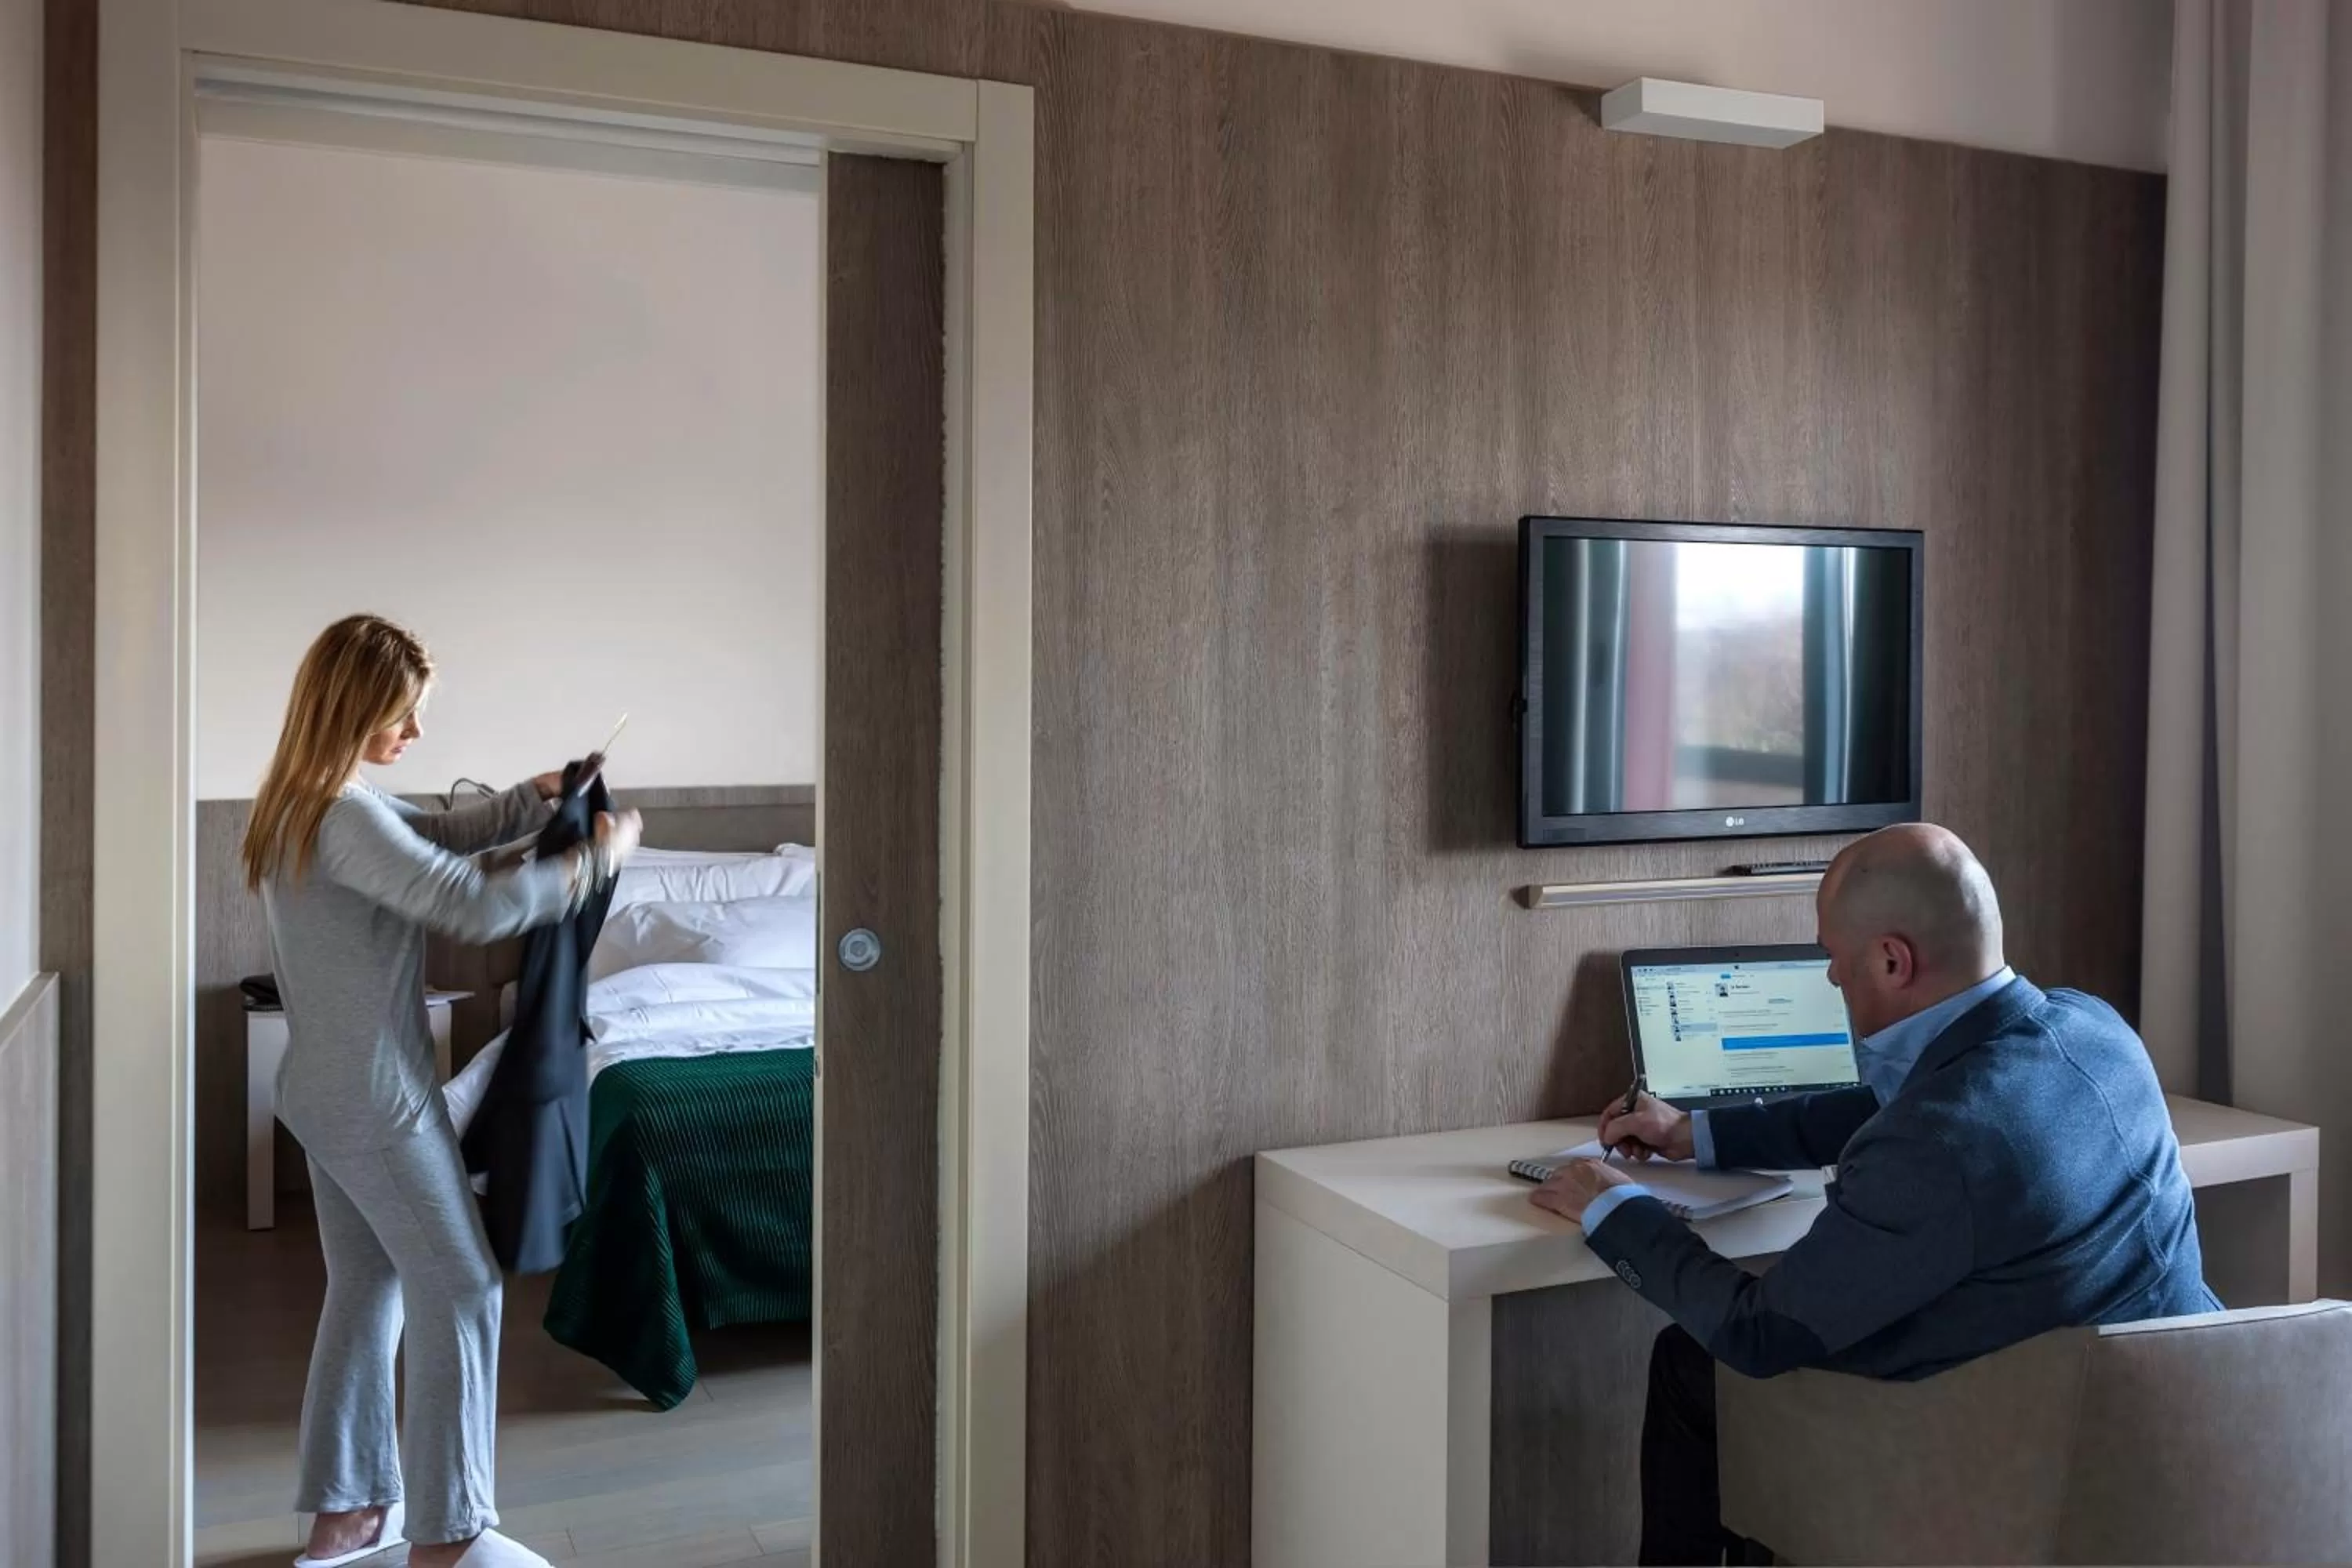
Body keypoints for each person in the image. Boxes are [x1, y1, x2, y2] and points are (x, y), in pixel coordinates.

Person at [1529, 823, 2218, 1567]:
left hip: (1994, 1484)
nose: (1829, 979)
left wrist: (1612, 1205)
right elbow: (1910, 1105)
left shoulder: (1937, 1143)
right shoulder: (2092, 1028)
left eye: (1832, 957)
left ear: (1892, 960)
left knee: (1695, 1363)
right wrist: (1698, 1134)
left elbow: (1757, 1332)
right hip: (2165, 1452)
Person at [242, 614, 642, 1568]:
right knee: (462, 1286)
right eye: (404, 714)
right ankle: (450, 1536)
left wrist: (530, 798)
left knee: (369, 1286)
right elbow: (467, 898)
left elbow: (433, 836)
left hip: (326, 1090)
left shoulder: (309, 800)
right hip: (377, 1104)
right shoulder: (341, 815)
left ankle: (343, 1519)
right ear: (354, 706)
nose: (415, 734)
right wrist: (597, 857)